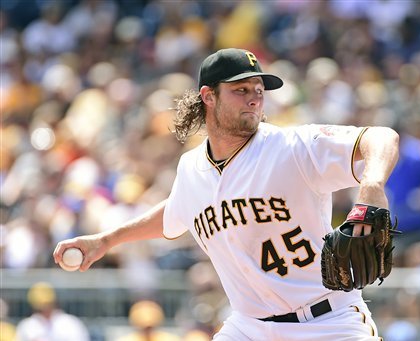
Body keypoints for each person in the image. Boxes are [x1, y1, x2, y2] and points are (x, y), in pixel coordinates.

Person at [54, 48, 399, 340]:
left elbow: (381, 138)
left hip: (329, 322)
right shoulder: (192, 168)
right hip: (250, 328)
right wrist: (106, 240)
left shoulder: (291, 146)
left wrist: (370, 186)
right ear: (209, 96)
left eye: (259, 89)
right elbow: (176, 211)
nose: (254, 97)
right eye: (240, 89)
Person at [15, 282, 90, 341]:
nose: (45, 310)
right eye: (41, 308)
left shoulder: (70, 323)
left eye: (47, 305)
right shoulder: (26, 325)